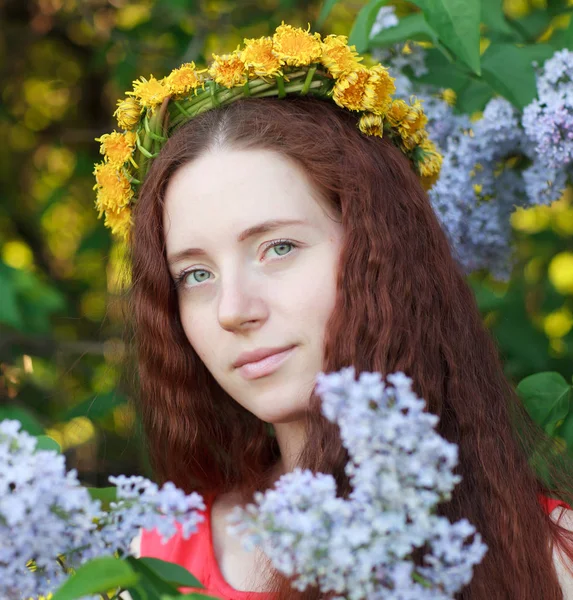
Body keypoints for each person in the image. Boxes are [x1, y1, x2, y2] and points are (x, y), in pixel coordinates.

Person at [94, 25, 573, 600]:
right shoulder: (156, 559)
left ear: (382, 252)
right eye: (196, 274)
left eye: (278, 248)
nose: (232, 310)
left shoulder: (553, 560)